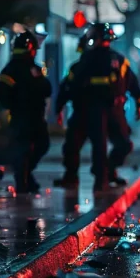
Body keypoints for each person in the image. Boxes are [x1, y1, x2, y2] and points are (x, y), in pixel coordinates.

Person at [64, 23, 140, 191]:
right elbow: (73, 84)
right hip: (96, 109)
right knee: (101, 145)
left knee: (121, 144)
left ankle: (107, 171)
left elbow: (131, 81)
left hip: (113, 109)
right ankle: (102, 179)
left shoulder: (117, 60)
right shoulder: (89, 59)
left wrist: (139, 101)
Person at [0, 31, 51, 194]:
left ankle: (25, 178)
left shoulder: (13, 69)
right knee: (29, 149)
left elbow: (2, 91)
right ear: (31, 49)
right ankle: (23, 182)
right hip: (26, 117)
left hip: (27, 117)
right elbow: (47, 89)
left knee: (30, 148)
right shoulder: (26, 69)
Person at [53, 35, 90, 188]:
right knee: (72, 147)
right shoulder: (77, 68)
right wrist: (59, 107)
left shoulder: (79, 67)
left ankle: (105, 177)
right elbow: (66, 88)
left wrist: (59, 107)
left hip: (89, 113)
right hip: (87, 112)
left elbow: (65, 89)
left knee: (73, 147)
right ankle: (105, 178)